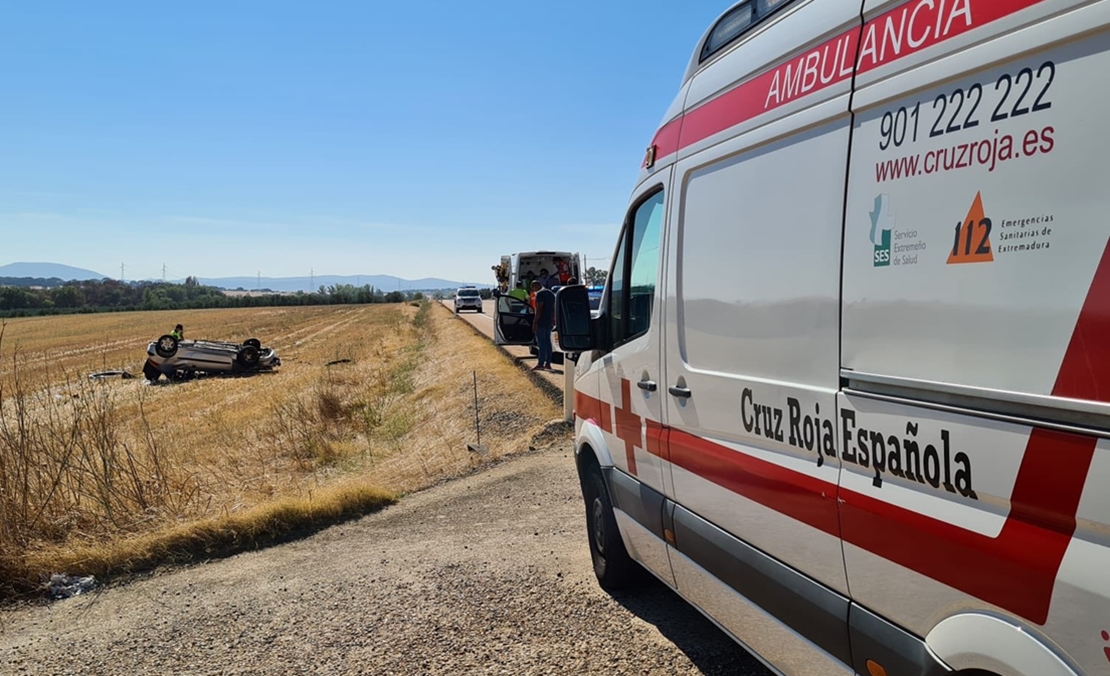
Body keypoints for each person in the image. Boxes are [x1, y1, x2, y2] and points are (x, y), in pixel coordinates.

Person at [531, 281, 555, 371]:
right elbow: (553, 308)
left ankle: (540, 363)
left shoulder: (540, 294)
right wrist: (553, 319)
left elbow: (539, 309)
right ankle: (548, 363)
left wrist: (535, 322)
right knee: (548, 342)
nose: (533, 290)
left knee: (541, 343)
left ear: (537, 286)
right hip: (549, 321)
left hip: (541, 322)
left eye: (533, 288)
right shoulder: (551, 293)